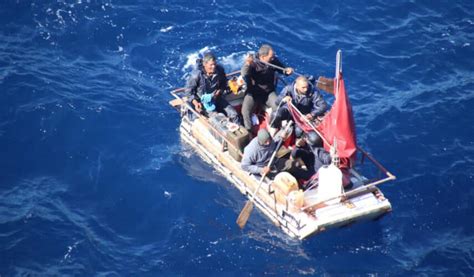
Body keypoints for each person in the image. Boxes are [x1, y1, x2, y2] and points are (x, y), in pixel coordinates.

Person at [240, 44, 293, 133]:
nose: (273, 58)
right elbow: (244, 73)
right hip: (253, 93)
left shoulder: (273, 61)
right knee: (245, 111)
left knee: (279, 108)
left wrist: (288, 71)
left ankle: (274, 129)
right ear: (263, 57)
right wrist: (247, 64)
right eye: (271, 57)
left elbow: (282, 70)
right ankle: (249, 131)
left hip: (268, 93)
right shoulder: (253, 64)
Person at [185, 53, 240, 124]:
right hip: (204, 102)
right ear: (205, 64)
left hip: (217, 98)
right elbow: (188, 92)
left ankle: (238, 129)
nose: (213, 67)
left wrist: (220, 91)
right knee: (217, 119)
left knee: (234, 114)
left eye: (214, 64)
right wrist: (196, 103)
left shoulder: (219, 70)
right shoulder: (196, 75)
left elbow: (224, 83)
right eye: (211, 65)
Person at [241, 129, 311, 181]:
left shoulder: (270, 140)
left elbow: (275, 147)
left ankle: (309, 177)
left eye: (269, 140)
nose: (268, 143)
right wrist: (261, 170)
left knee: (293, 165)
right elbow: (244, 166)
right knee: (281, 181)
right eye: (266, 142)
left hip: (274, 162)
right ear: (260, 141)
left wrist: (282, 139)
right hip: (264, 170)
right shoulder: (251, 150)